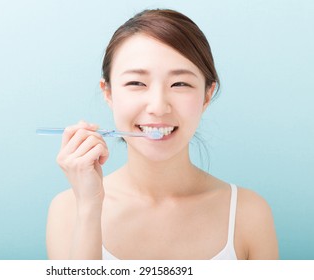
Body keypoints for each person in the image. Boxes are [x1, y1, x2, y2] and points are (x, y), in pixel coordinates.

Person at [46, 9, 278, 260]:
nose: (157, 106)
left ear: (207, 95)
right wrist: (90, 207)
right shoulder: (68, 210)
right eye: (136, 83)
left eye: (180, 84)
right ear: (108, 92)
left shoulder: (249, 214)